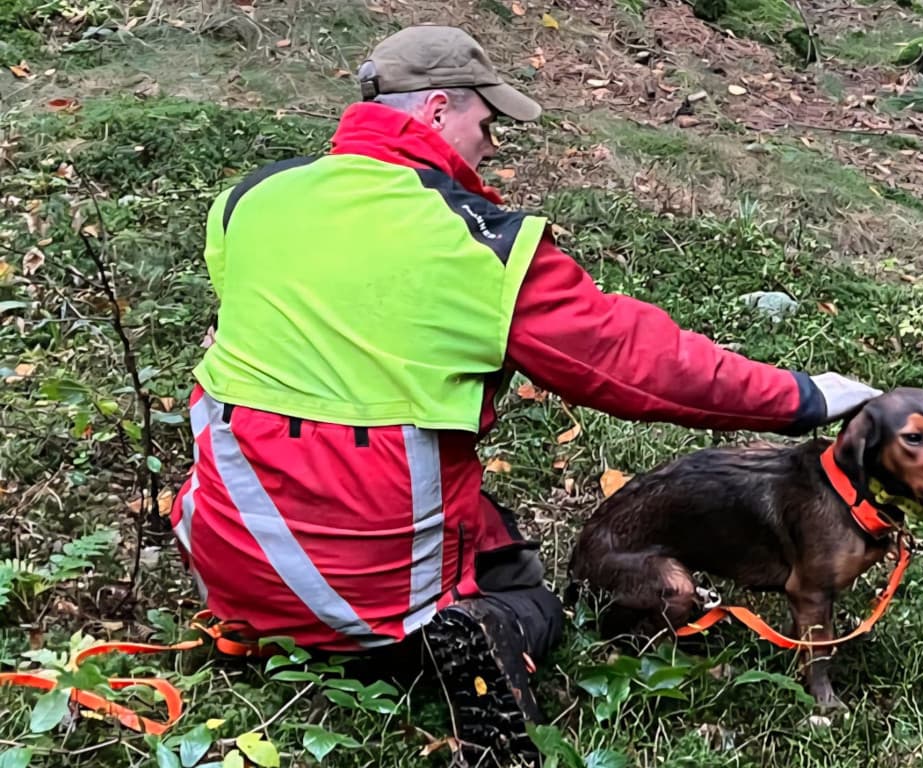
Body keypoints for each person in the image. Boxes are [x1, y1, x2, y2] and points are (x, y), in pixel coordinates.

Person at [169, 24, 881, 767]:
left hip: (229, 545)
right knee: (530, 597)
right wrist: (802, 396)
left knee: (467, 512)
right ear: (439, 110)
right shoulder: (478, 241)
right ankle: (450, 646)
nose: (494, 141)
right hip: (363, 559)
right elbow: (631, 361)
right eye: (489, 119)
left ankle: (274, 626)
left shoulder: (249, 199)